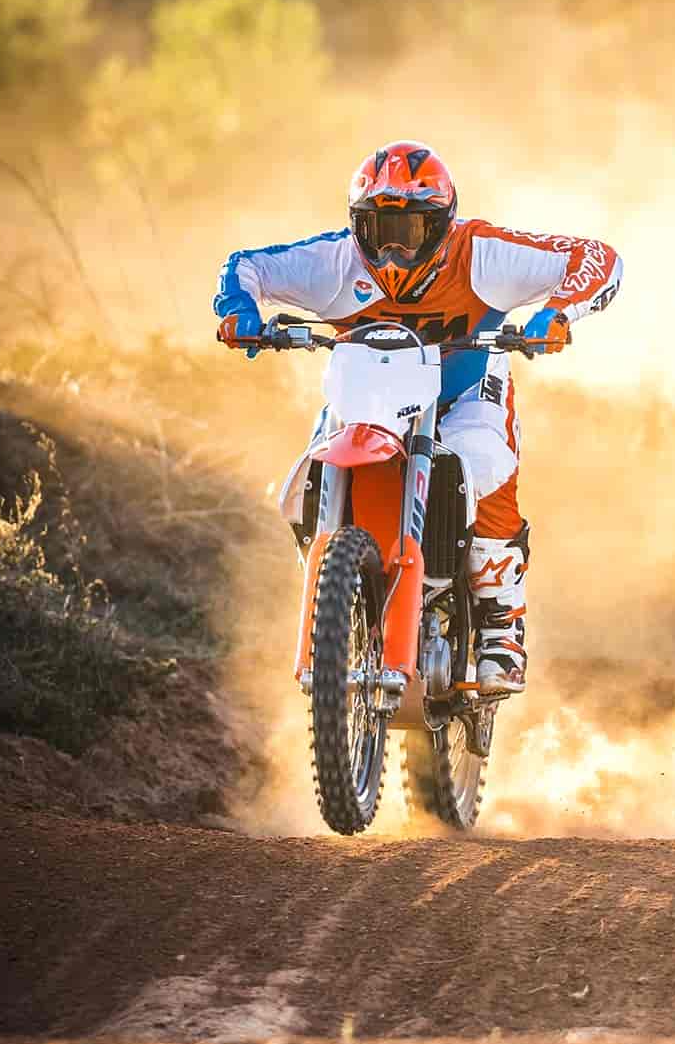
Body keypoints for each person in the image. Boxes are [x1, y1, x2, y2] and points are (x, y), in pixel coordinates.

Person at [212, 140, 623, 692]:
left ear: (442, 224)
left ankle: (502, 626)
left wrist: (558, 312)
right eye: (377, 231)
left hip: (464, 391)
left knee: (482, 462)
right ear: (356, 225)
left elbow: (595, 257)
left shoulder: (483, 254)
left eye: (409, 232)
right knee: (298, 487)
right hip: (367, 399)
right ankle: (337, 596)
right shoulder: (332, 262)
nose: (392, 251)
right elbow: (246, 265)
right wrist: (240, 310)